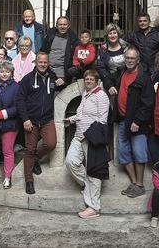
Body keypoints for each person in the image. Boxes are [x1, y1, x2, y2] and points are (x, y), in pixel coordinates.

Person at [64, 69, 110, 219]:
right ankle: (87, 186)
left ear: (97, 81)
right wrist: (70, 119)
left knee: (94, 172)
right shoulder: (85, 94)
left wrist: (93, 135)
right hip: (78, 136)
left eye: (91, 79)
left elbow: (102, 119)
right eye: (86, 79)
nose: (88, 81)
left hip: (92, 138)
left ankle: (93, 207)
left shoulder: (101, 96)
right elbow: (82, 114)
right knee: (70, 161)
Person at [16, 52, 62, 194]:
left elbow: (57, 87)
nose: (43, 64)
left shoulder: (52, 78)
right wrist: (25, 119)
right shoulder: (27, 79)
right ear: (35, 62)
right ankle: (29, 180)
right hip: (31, 120)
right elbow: (20, 100)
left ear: (48, 63)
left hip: (47, 119)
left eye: (45, 62)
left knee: (51, 143)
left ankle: (35, 159)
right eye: (40, 62)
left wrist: (61, 83)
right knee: (29, 149)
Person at [115, 47, 154, 198]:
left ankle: (140, 184)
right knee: (124, 153)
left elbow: (148, 103)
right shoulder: (121, 73)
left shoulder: (144, 78)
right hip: (123, 120)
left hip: (138, 122)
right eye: (127, 58)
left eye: (132, 58)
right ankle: (133, 182)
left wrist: (138, 120)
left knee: (139, 152)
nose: (129, 60)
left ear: (138, 60)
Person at [0, 61, 20, 188]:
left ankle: (7, 177)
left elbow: (18, 108)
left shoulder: (16, 87)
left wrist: (2, 114)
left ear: (12, 73)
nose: (4, 74)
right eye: (2, 71)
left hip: (10, 124)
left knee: (7, 150)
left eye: (7, 71)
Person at [41, 15, 79, 87]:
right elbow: (43, 51)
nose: (62, 27)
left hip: (63, 74)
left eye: (64, 24)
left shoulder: (73, 39)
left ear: (68, 26)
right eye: (60, 24)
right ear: (56, 26)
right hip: (48, 72)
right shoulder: (50, 36)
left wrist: (68, 75)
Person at [96, 23, 128, 97]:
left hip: (126, 82)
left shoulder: (126, 47)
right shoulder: (103, 50)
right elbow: (101, 68)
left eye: (114, 33)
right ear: (107, 36)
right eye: (110, 33)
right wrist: (109, 85)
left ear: (118, 34)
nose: (112, 35)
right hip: (110, 84)